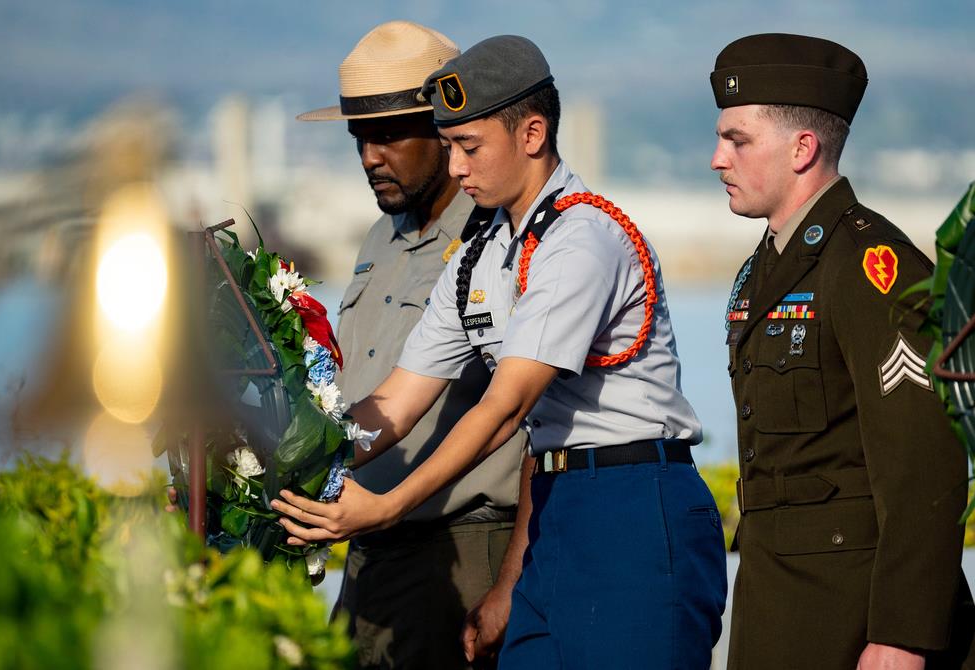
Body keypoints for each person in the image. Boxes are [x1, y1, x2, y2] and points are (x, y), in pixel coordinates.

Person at [274, 34, 727, 669]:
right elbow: (396, 402)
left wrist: (386, 506)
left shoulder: (581, 239)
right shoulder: (482, 257)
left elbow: (507, 408)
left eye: (469, 146)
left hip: (635, 502)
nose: (456, 167)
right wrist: (286, 457)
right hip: (555, 505)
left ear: (532, 135)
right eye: (450, 145)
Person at [709, 33, 975, 669]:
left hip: (856, 619)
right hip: (780, 606)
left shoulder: (868, 265)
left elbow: (925, 461)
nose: (717, 158)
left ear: (803, 148)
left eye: (737, 139)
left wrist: (903, 635)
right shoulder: (764, 270)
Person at [296, 21, 525, 669]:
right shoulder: (378, 237)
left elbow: (527, 413)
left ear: (447, 131)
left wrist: (507, 582)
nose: (370, 155)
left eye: (389, 134)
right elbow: (360, 394)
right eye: (359, 137)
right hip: (367, 546)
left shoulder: (497, 239)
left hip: (459, 550)